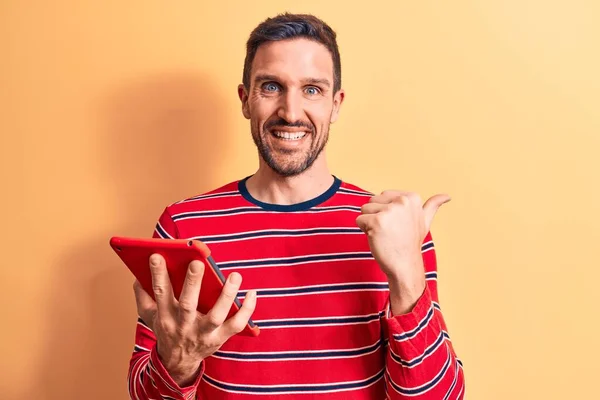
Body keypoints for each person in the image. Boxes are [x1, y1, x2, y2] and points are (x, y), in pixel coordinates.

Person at [127, 13, 465, 400]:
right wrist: (179, 363)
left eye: (312, 90)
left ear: (336, 104)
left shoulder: (394, 228)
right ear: (245, 100)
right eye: (271, 86)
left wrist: (406, 277)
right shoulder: (183, 226)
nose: (290, 111)